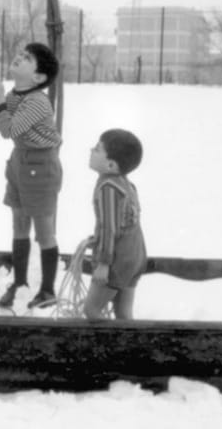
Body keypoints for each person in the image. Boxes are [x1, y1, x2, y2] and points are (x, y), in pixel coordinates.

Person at [0, 42, 62, 309]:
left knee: (44, 230)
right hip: (19, 162)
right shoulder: (14, 95)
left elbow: (9, 131)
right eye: (21, 54)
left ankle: (48, 289)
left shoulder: (38, 102)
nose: (19, 57)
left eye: (27, 58)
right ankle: (20, 282)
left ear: (38, 78)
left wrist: (0, 98)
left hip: (41, 165)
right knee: (19, 224)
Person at [83, 129, 147, 320]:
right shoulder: (127, 184)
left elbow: (109, 227)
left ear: (110, 165)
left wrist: (104, 263)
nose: (91, 150)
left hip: (117, 260)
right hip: (135, 255)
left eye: (97, 149)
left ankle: (105, 348)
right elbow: (124, 223)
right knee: (123, 314)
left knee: (92, 311)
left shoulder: (107, 188)